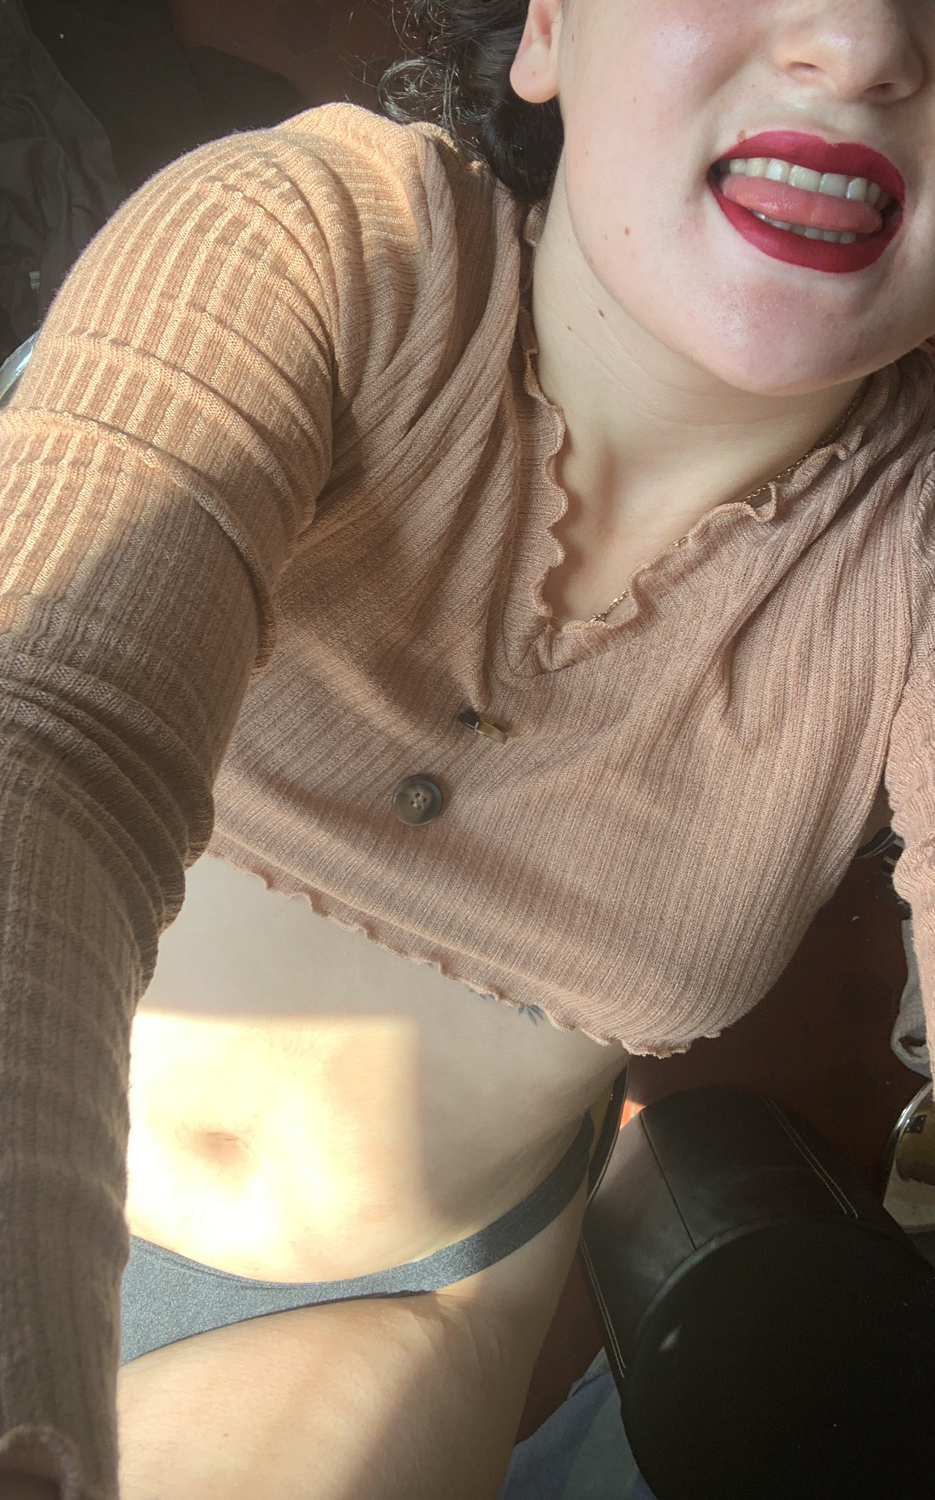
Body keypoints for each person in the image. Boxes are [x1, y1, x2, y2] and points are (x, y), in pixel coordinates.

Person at [0, 0, 934, 1496]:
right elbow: (41, 734)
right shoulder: (323, 239)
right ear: (550, 26)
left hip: (379, 1319)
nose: (865, 39)